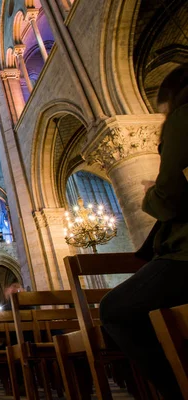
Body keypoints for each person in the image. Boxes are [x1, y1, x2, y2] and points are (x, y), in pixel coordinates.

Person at [100, 64, 188, 399]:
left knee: (114, 311)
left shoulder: (183, 119)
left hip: (184, 255)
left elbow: (169, 200)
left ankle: (176, 390)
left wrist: (151, 192)